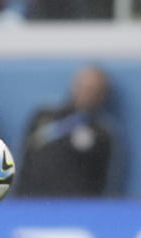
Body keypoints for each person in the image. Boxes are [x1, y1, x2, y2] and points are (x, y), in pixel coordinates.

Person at [15, 65, 123, 197]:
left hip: (75, 206)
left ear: (102, 94)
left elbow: (105, 180)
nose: (85, 93)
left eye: (92, 89)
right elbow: (25, 157)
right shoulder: (43, 117)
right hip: (29, 200)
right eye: (82, 86)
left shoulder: (102, 133)